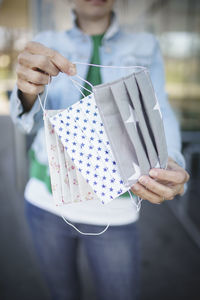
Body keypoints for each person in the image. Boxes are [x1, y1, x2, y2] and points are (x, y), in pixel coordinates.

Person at [10, 0, 189, 299]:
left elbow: (160, 111)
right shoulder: (47, 42)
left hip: (116, 208)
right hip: (46, 199)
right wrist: (27, 92)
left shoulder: (145, 44)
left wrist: (170, 160)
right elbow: (26, 121)